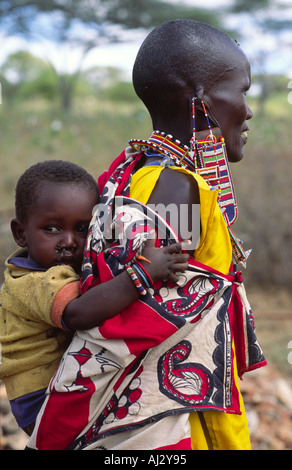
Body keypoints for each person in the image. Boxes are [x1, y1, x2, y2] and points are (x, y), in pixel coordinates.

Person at [27, 20, 266, 451]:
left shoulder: (134, 169)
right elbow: (166, 310)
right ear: (201, 101)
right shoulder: (178, 187)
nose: (248, 110)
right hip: (166, 417)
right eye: (242, 91)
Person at [0, 159, 189, 436]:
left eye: (81, 229)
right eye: (52, 229)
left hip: (43, 395)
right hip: (43, 402)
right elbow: (79, 314)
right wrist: (144, 273)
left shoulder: (35, 268)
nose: (69, 241)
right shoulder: (36, 283)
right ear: (21, 233)